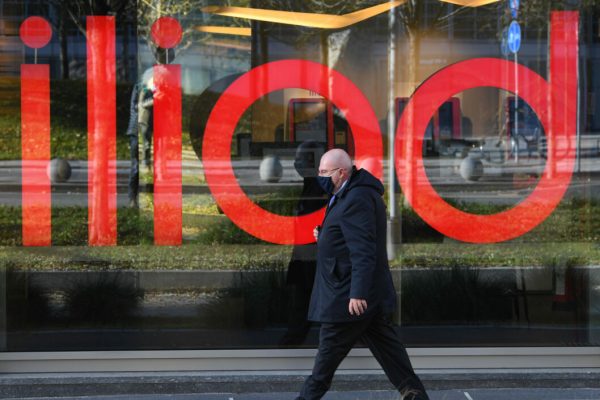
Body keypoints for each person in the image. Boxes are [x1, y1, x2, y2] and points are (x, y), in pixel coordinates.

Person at [296, 149, 429, 400]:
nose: (320, 176)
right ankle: (416, 396)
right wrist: (324, 234)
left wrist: (357, 293)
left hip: (348, 299)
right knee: (392, 356)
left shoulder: (356, 198)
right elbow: (349, 235)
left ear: (341, 172)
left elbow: (364, 250)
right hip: (360, 296)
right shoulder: (349, 192)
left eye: (324, 172)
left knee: (323, 367)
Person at [280, 141, 327, 346]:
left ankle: (291, 342)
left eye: (299, 159)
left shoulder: (320, 188)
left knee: (306, 301)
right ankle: (292, 341)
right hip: (306, 257)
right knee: (303, 301)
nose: (295, 164)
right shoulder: (312, 184)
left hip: (314, 258)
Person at [126, 82, 140, 208]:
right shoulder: (140, 85)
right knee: (136, 166)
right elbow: (136, 106)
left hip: (151, 131)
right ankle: (132, 198)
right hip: (137, 131)